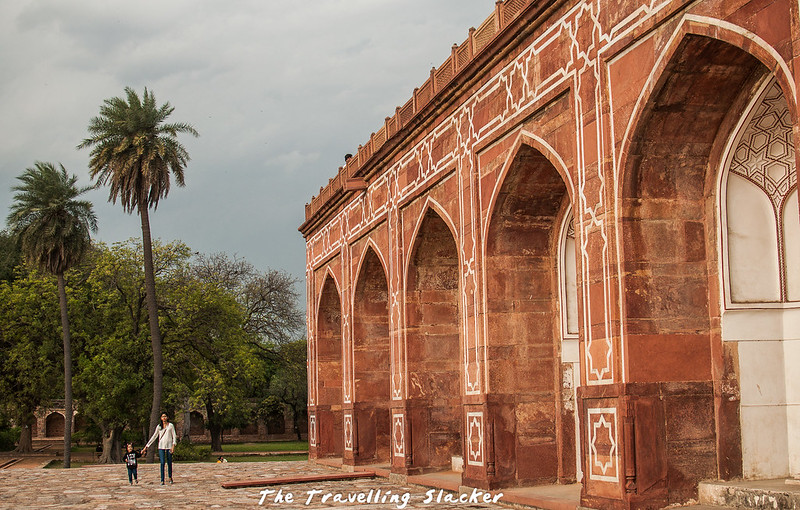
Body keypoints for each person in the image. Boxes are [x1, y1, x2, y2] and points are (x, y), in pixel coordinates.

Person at [142, 413, 177, 485]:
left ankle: (170, 477)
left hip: (169, 446)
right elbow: (154, 436)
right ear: (161, 418)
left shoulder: (170, 426)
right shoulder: (159, 427)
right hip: (161, 446)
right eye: (162, 417)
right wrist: (147, 446)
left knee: (169, 462)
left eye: (165, 416)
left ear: (167, 417)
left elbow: (174, 436)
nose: (164, 418)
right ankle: (162, 479)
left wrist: (173, 446)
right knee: (162, 463)